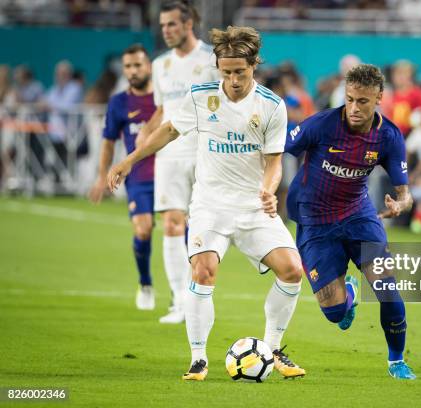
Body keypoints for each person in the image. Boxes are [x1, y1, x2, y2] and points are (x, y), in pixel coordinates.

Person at [107, 25, 305, 381]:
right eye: (226, 72)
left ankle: (273, 350)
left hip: (252, 206)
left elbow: (274, 161)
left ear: (253, 67)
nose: (232, 80)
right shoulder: (201, 97)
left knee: (292, 271)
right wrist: (129, 160)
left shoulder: (272, 106)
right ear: (217, 68)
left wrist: (269, 190)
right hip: (210, 206)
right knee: (202, 270)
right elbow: (167, 131)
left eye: (239, 73)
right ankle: (198, 358)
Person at [285, 64, 416, 380]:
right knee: (335, 314)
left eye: (363, 101)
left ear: (379, 98)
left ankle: (396, 361)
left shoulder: (389, 136)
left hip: (359, 217)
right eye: (350, 99)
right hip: (314, 223)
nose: (354, 108)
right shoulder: (321, 124)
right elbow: (279, 151)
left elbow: (405, 193)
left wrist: (401, 203)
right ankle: (350, 295)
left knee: (387, 290)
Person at [137, 0, 218, 324]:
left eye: (172, 24)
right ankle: (178, 302)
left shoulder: (212, 59)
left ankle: (198, 295)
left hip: (203, 153)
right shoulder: (160, 65)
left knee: (201, 228)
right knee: (172, 224)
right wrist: (147, 130)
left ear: (188, 24)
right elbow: (164, 108)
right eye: (162, 26)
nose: (166, 31)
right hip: (170, 153)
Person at [88, 44, 156, 310]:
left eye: (138, 65)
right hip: (139, 176)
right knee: (143, 228)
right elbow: (108, 142)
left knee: (182, 231)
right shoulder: (119, 102)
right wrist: (101, 177)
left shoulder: (163, 100)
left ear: (149, 66)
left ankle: (182, 295)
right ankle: (146, 283)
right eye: (128, 66)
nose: (133, 71)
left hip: (171, 173)